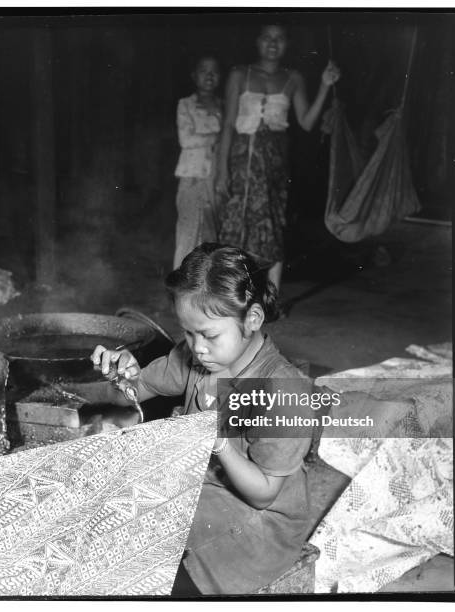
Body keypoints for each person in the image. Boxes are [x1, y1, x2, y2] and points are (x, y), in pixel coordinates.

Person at [91, 243, 314, 595]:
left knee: (163, 577)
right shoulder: (195, 356)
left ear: (252, 319)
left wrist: (218, 441)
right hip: (203, 488)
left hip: (258, 522)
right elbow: (137, 388)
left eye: (209, 335)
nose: (197, 347)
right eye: (188, 332)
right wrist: (123, 375)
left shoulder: (280, 390)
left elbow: (264, 495)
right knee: (109, 525)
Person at [215, 24, 341, 304]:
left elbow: (307, 122)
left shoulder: (293, 78)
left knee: (271, 224)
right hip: (240, 161)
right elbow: (227, 125)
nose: (273, 43)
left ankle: (271, 300)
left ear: (287, 45)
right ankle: (232, 298)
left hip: (273, 163)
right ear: (257, 42)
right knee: (236, 224)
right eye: (267, 37)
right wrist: (221, 169)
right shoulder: (239, 74)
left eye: (280, 38)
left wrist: (324, 85)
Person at [173, 56, 222, 269]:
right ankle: (177, 294)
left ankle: (207, 297)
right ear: (194, 76)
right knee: (187, 237)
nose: (209, 75)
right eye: (204, 70)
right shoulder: (185, 104)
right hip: (192, 178)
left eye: (214, 71)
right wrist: (218, 136)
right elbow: (186, 139)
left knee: (212, 240)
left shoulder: (225, 105)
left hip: (217, 180)